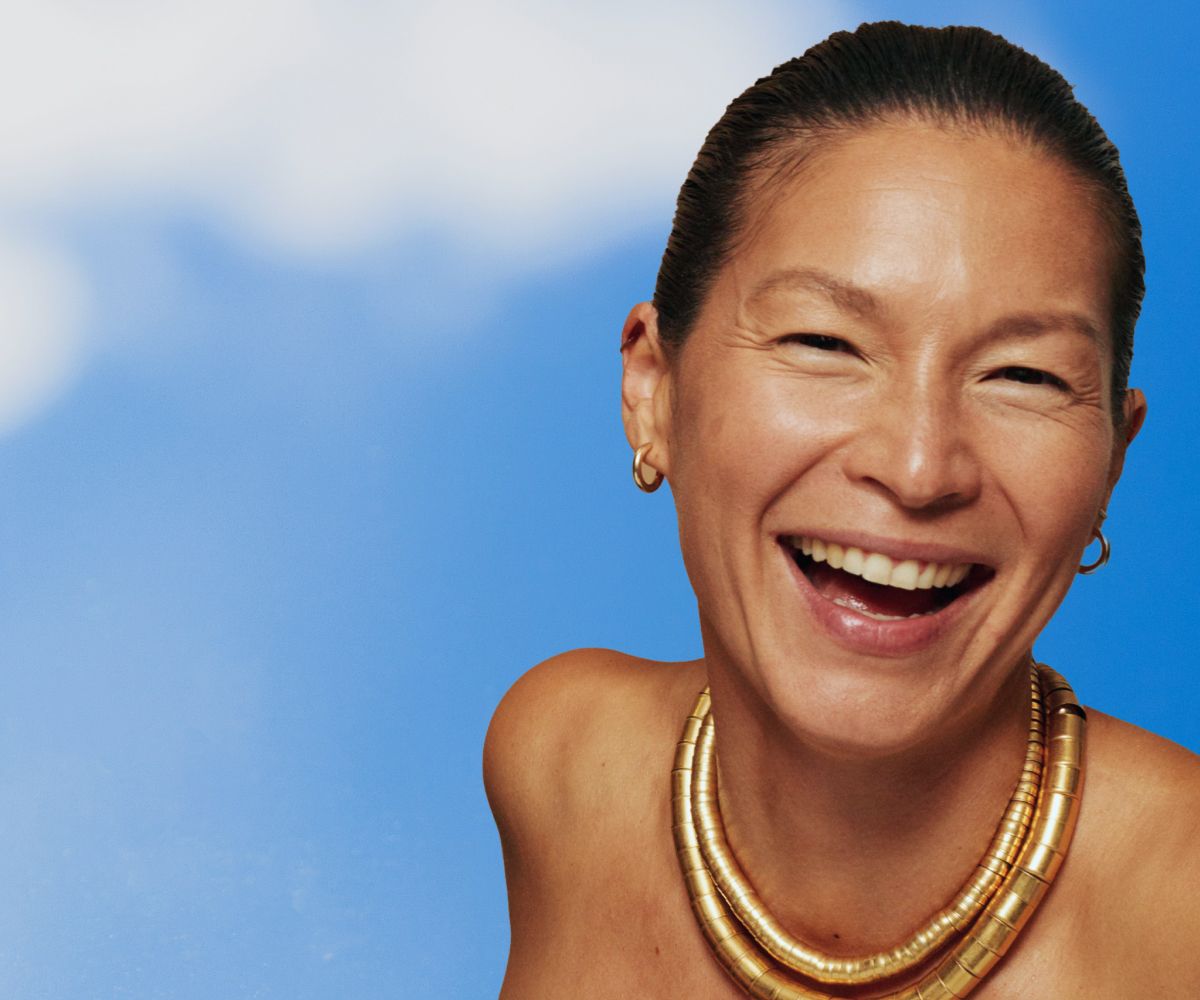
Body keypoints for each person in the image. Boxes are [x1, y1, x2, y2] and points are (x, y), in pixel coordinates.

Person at [484, 21, 1200, 999]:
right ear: (654, 388)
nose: (917, 466)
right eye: (825, 343)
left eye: (1023, 375)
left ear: (1114, 459)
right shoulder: (561, 763)